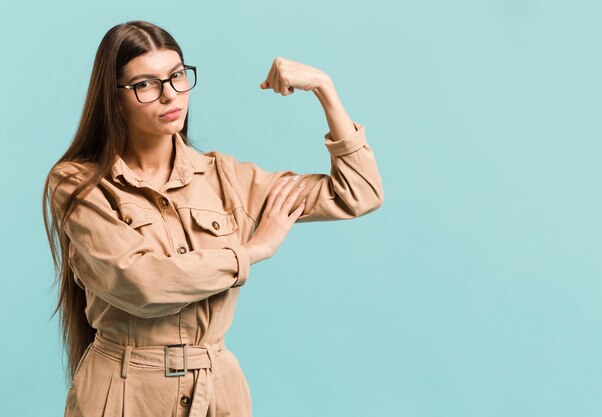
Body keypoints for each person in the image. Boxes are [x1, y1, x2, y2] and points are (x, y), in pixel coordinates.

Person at [42, 20, 384, 417]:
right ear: (114, 98)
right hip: (122, 395)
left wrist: (325, 89)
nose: (170, 95)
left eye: (176, 76)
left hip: (217, 395)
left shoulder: (228, 179)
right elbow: (139, 284)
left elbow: (358, 194)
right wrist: (250, 252)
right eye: (146, 85)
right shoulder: (78, 184)